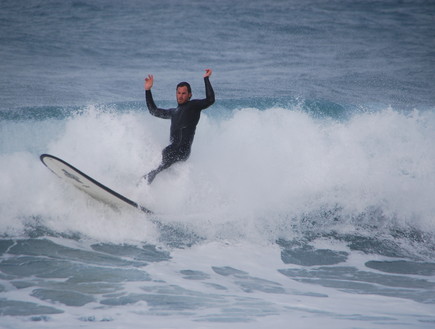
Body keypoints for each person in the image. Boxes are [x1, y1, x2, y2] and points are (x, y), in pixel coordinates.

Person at [142, 69, 215, 184]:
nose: (180, 96)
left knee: (158, 167)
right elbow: (153, 111)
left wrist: (206, 78)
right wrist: (147, 90)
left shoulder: (193, 106)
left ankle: (144, 183)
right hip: (172, 150)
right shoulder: (174, 112)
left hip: (182, 150)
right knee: (164, 155)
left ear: (190, 95)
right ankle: (155, 189)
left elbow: (210, 100)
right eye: (178, 93)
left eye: (183, 93)